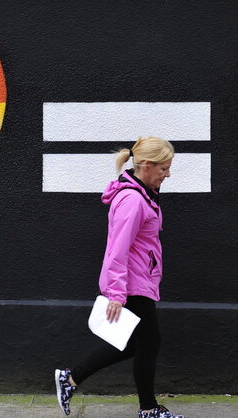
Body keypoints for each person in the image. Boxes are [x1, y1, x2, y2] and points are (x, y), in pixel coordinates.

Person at [54, 136, 184, 418]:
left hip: (140, 278)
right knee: (148, 344)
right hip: (133, 283)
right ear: (146, 166)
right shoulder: (132, 201)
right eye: (164, 168)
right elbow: (117, 248)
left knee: (137, 344)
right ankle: (148, 410)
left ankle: (71, 378)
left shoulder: (141, 195)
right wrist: (115, 292)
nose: (168, 174)